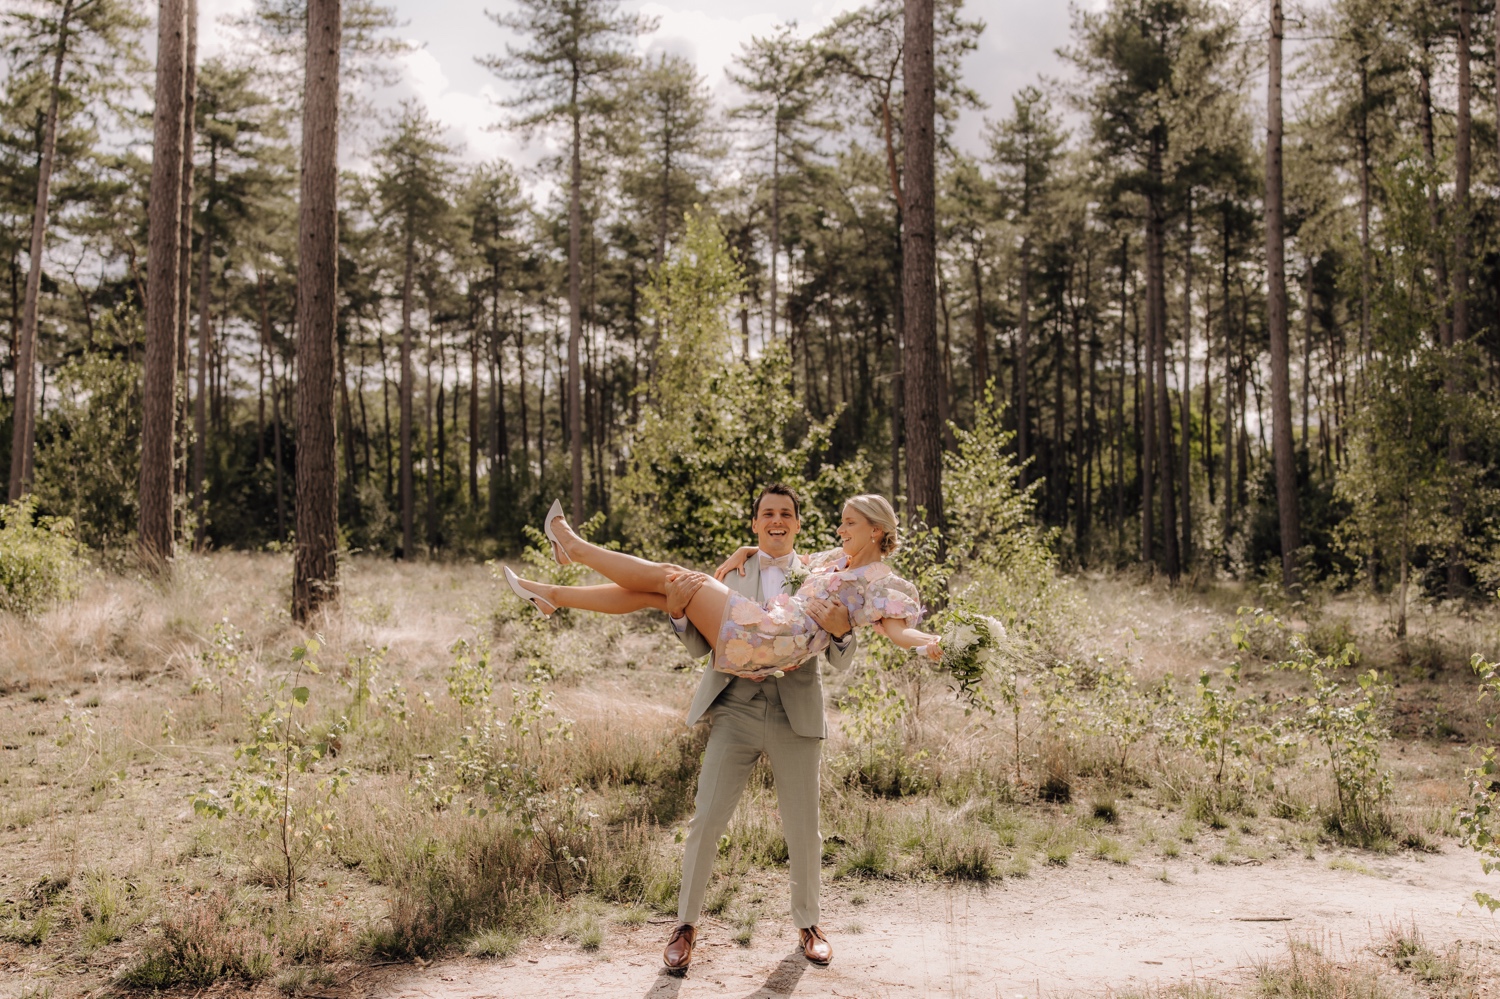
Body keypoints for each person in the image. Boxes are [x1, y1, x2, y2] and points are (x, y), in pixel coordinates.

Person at [502, 491, 944, 970]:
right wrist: (742, 558)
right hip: (744, 683)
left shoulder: (886, 586)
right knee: (661, 592)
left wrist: (932, 644)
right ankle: (553, 595)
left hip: (774, 651)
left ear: (877, 529)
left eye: (849, 523)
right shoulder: (832, 560)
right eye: (838, 522)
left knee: (803, 829)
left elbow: (897, 633)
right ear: (756, 522)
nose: (839, 530)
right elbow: (730, 613)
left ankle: (572, 547)